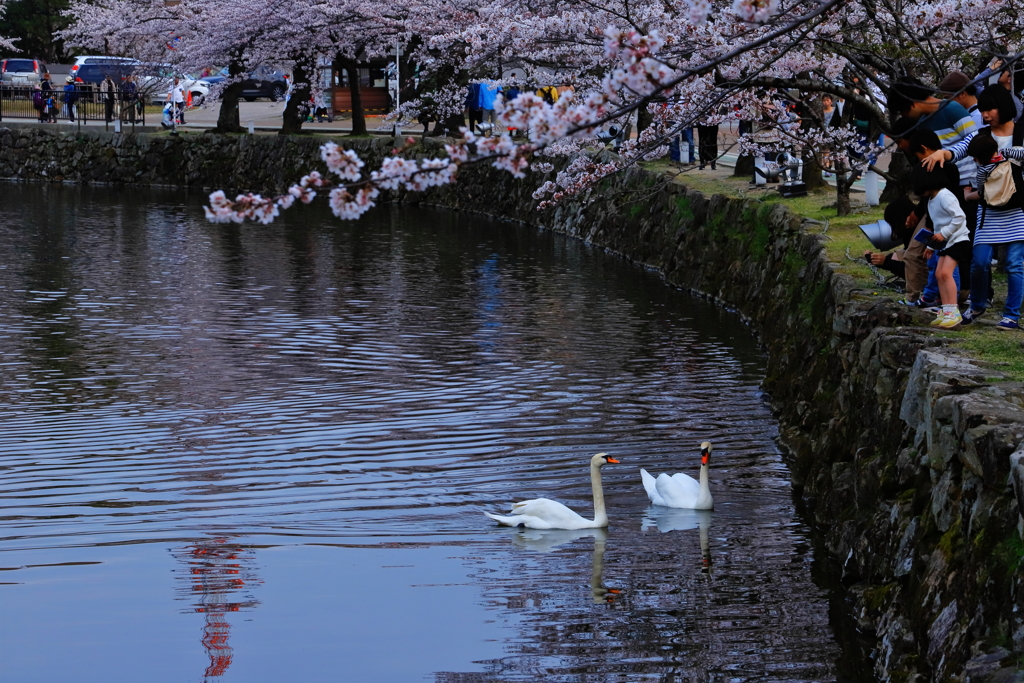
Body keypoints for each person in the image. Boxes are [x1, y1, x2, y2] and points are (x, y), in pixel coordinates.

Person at [913, 165, 971, 328]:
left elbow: (959, 217)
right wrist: (931, 246)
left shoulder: (945, 196)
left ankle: (953, 312)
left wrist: (944, 234)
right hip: (946, 242)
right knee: (939, 274)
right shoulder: (931, 200)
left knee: (946, 273)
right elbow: (938, 227)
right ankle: (946, 311)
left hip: (958, 240)